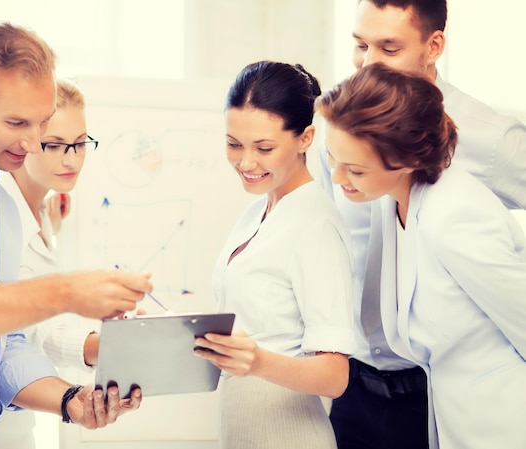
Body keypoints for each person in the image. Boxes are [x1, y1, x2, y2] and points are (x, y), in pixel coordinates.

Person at [0, 22, 152, 449]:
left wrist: (71, 400)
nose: (34, 143)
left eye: (41, 123)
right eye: (17, 122)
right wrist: (65, 293)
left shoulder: (0, 201)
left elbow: (3, 345)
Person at [316, 2, 526, 448]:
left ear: (434, 46)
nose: (369, 63)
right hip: (376, 385)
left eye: (389, 47)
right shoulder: (362, 146)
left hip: (490, 418)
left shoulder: (455, 207)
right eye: (360, 45)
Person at [193, 61, 356, 449]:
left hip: (290, 431)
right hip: (244, 423)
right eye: (234, 144)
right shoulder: (258, 211)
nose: (246, 162)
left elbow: (336, 376)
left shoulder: (316, 223)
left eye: (264, 147)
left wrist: (258, 362)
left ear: (305, 138)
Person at [0, 79, 102, 448]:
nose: (72, 159)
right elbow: (30, 331)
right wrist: (106, 346)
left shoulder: (43, 213)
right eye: (55, 146)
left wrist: (51, 228)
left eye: (80, 143)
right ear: (26, 142)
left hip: (19, 422)